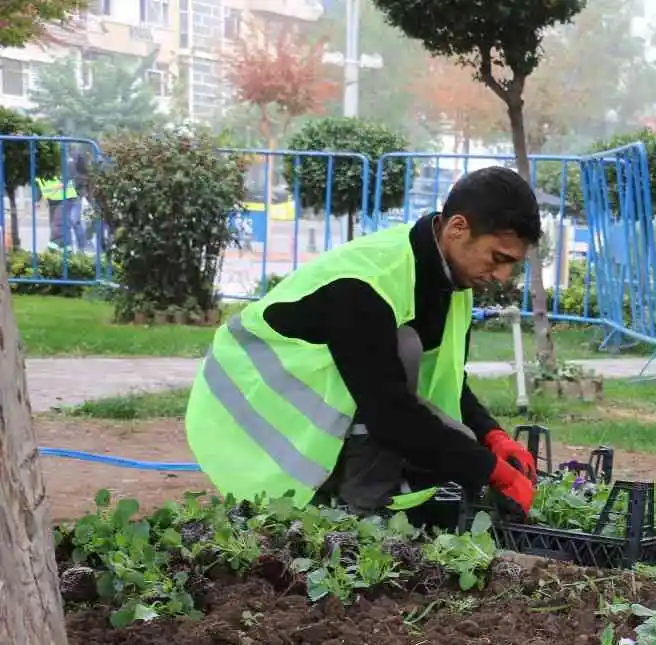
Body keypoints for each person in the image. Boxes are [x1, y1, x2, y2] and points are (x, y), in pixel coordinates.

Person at [186, 166, 542, 526]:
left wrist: (491, 434)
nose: (502, 277)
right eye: (498, 259)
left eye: (512, 265)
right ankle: (354, 516)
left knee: (456, 435)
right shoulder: (367, 283)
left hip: (322, 404)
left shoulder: (450, 281)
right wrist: (492, 471)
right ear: (457, 229)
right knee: (405, 352)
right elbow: (389, 414)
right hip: (248, 412)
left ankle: (358, 500)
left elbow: (446, 377)